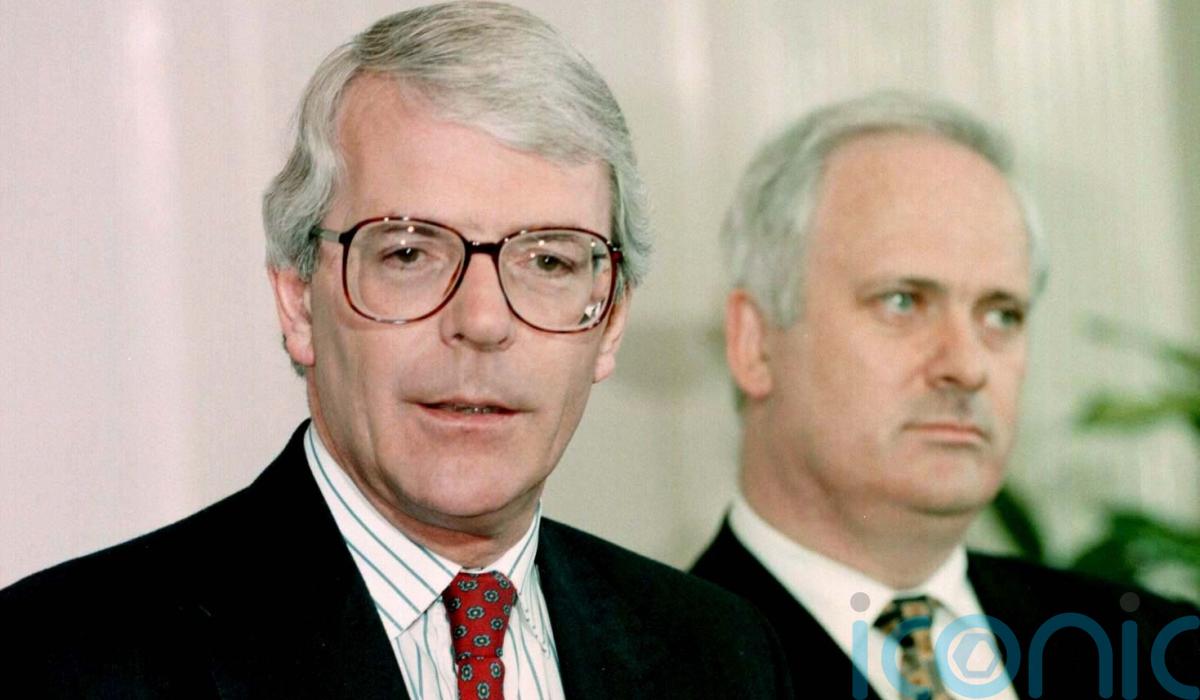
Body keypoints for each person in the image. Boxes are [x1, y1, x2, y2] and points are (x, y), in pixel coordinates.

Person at [0, 4, 791, 698]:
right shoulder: (65, 660)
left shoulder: (723, 656)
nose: (483, 320)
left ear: (609, 322)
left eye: (548, 260)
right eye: (409, 253)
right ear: (298, 302)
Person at [691, 91, 1200, 699]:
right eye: (902, 302)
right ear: (754, 343)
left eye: (1001, 315)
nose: (967, 366)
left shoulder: (1159, 649)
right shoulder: (656, 672)